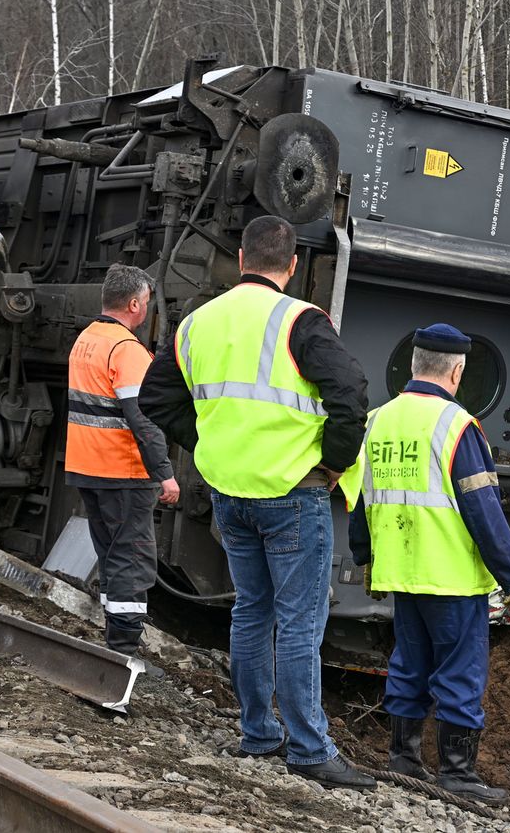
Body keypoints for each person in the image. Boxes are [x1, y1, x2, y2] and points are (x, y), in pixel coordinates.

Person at [138, 215, 374, 790]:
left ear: (242, 257)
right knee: (299, 625)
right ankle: (310, 749)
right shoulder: (300, 321)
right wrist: (336, 462)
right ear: (291, 266)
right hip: (294, 492)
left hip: (230, 494)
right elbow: (351, 394)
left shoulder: (197, 322)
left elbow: (154, 398)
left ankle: (258, 735)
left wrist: (207, 444)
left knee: (251, 613)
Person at [348, 323, 510, 805]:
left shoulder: (377, 420)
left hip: (402, 571)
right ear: (458, 370)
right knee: (460, 670)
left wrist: (366, 558)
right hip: (450, 574)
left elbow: (363, 499)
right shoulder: (457, 426)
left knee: (409, 662)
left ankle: (403, 759)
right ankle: (457, 772)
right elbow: (483, 509)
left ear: (413, 365)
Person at [65, 263, 179, 655]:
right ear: (134, 303)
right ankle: (124, 653)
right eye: (146, 302)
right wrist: (164, 474)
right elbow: (142, 420)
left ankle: (113, 645)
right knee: (132, 561)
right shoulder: (126, 350)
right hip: (123, 471)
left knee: (112, 556)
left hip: (87, 468)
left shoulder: (87, 339)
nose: (147, 309)